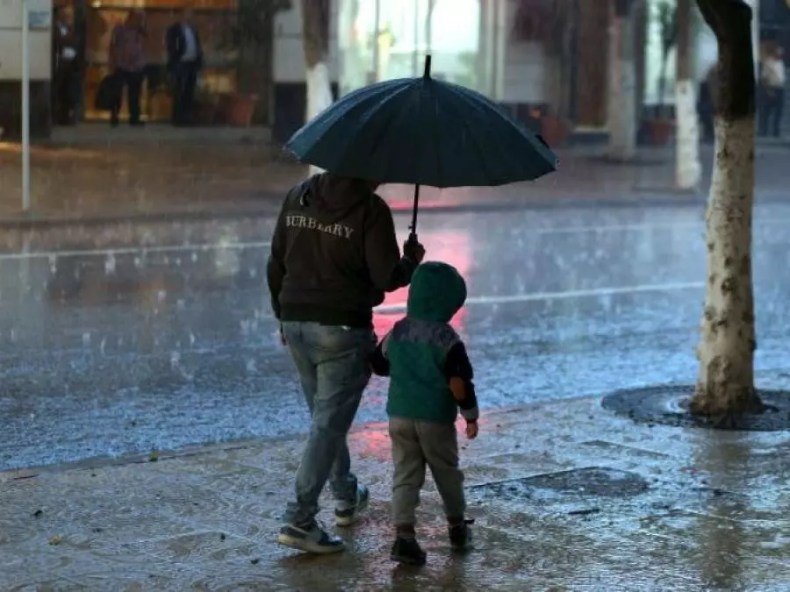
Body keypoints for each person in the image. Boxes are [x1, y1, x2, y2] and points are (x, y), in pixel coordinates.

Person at [267, 173, 426, 554]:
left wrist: (283, 315)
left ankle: (344, 494)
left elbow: (276, 261)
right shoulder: (370, 210)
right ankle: (300, 518)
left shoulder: (297, 194)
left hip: (296, 321)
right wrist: (410, 261)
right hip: (341, 327)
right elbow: (385, 276)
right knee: (327, 424)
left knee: (326, 421)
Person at [370, 261, 479, 566]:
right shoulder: (447, 339)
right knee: (447, 472)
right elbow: (459, 383)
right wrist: (470, 415)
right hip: (435, 419)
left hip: (400, 415)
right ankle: (457, 528)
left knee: (405, 474)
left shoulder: (399, 331)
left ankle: (404, 537)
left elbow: (378, 364)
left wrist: (406, 369)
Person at [108, 10, 147, 127]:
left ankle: (134, 117)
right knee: (117, 93)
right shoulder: (120, 30)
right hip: (121, 65)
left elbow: (145, 44)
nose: (139, 21)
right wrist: (112, 62)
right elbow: (113, 46)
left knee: (134, 94)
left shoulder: (140, 32)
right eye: (137, 18)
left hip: (136, 67)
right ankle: (114, 116)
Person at [166, 7, 203, 126]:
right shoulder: (175, 29)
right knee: (179, 91)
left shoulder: (193, 29)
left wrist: (199, 59)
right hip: (180, 63)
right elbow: (171, 45)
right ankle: (177, 118)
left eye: (190, 14)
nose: (189, 16)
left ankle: (186, 117)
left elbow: (197, 44)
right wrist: (175, 57)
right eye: (186, 14)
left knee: (189, 91)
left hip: (192, 63)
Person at [52, 5, 80, 125]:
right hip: (59, 64)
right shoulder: (55, 28)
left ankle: (66, 116)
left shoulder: (70, 28)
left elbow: (74, 41)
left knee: (68, 93)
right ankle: (58, 117)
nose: (67, 17)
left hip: (70, 64)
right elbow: (58, 42)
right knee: (58, 91)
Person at [759, 46, 786, 138]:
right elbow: (764, 78)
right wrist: (768, 91)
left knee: (778, 112)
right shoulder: (768, 63)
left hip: (780, 89)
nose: (780, 55)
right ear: (775, 53)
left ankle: (776, 131)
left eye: (781, 54)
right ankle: (763, 131)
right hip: (771, 88)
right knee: (767, 112)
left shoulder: (781, 63)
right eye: (779, 53)